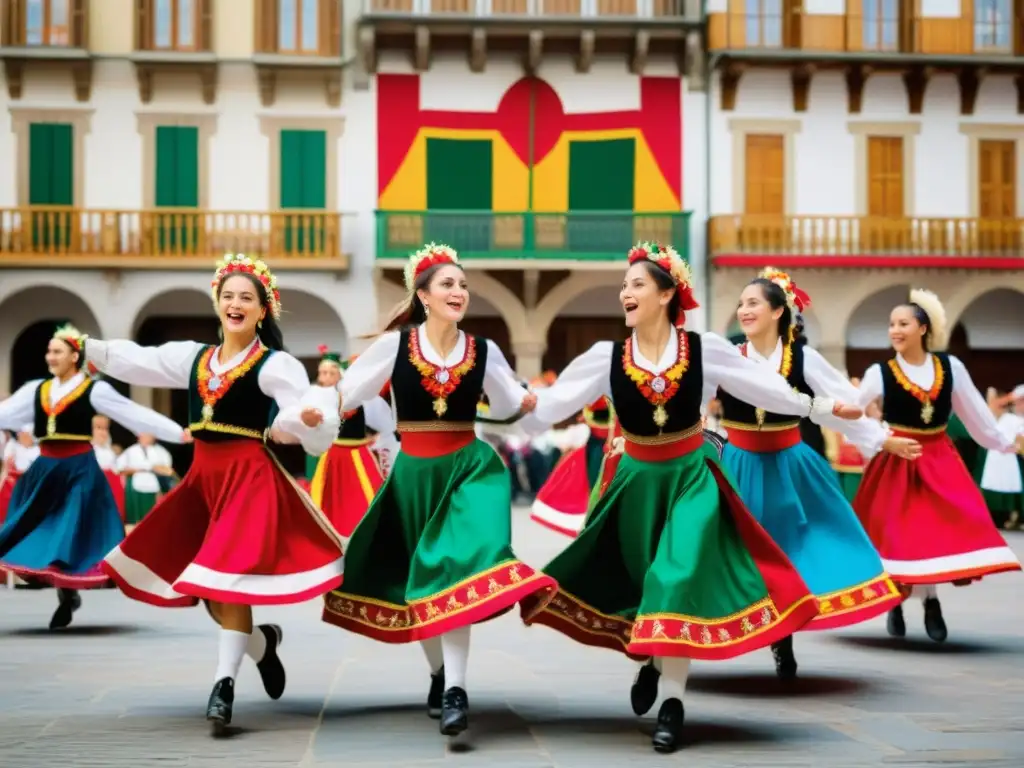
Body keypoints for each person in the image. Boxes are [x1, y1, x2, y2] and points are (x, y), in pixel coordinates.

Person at [515, 243, 862, 753]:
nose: (625, 293)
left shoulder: (706, 349)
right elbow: (547, 408)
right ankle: (655, 662)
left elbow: (768, 389)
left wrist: (821, 405)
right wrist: (499, 403)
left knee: (675, 578)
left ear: (665, 294)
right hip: (635, 482)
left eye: (636, 284)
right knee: (646, 582)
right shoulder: (604, 358)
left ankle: (673, 702)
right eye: (624, 285)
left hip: (692, 476)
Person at [82, 253, 343, 735]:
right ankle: (262, 644)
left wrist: (305, 421)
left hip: (247, 480)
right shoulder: (193, 357)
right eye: (228, 297)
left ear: (263, 310)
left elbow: (296, 412)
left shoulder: (274, 363)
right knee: (208, 589)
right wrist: (92, 348)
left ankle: (223, 687)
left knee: (228, 581)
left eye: (246, 298)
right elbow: (143, 360)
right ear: (217, 304)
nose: (236, 304)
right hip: (203, 480)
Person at [321, 243, 555, 741]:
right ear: (423, 295)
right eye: (448, 284)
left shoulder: (484, 350)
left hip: (468, 468)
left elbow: (515, 403)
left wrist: (542, 405)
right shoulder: (395, 347)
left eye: (463, 285)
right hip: (414, 474)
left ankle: (456, 690)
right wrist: (313, 413)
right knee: (417, 581)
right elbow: (348, 392)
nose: (459, 292)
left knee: (453, 564)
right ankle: (439, 675)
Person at [717, 269, 917, 679]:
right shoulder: (726, 355)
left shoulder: (803, 356)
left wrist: (881, 439)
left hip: (788, 464)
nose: (744, 310)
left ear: (777, 311)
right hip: (736, 464)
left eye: (753, 302)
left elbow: (844, 407)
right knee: (732, 551)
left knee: (793, 550)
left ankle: (783, 637)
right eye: (741, 304)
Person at [853, 289, 1023, 643]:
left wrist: (1006, 442)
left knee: (932, 532)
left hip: (937, 461)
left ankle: (930, 602)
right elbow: (851, 413)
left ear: (922, 328)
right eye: (891, 324)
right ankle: (899, 602)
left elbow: (974, 412)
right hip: (896, 463)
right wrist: (880, 437)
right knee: (898, 535)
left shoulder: (950, 368)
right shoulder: (879, 372)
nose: (895, 330)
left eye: (903, 323)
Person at [0, 325, 186, 629]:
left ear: (75, 355)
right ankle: (65, 594)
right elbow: (5, 414)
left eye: (57, 351)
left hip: (78, 469)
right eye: (49, 351)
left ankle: (66, 595)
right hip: (45, 470)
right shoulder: (36, 389)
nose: (51, 356)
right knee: (38, 529)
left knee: (69, 531)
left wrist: (177, 433)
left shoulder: (93, 389)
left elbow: (133, 414)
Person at [310, 346, 397, 538]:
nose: (326, 377)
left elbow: (383, 421)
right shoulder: (318, 397)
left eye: (331, 373)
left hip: (357, 452)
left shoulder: (357, 395)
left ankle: (367, 528)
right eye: (323, 372)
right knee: (330, 496)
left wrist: (378, 437)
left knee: (364, 493)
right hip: (333, 453)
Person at [976, 386, 1024, 529]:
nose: (1020, 405)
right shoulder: (1006, 417)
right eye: (1019, 402)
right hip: (999, 458)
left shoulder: (1016, 420)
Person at [118, 432, 175, 529]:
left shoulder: (162, 452)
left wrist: (155, 468)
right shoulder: (131, 451)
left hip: (155, 490)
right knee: (134, 522)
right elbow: (120, 469)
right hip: (135, 489)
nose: (146, 437)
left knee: (153, 522)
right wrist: (140, 469)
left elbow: (169, 471)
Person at [1, 425, 39, 526]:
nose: (20, 435)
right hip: (11, 489)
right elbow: (5, 470)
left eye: (23, 433)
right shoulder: (12, 446)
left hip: (30, 488)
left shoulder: (37, 451)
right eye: (19, 433)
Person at [91, 415, 126, 523]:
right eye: (99, 428)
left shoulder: (110, 450)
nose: (103, 432)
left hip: (113, 485)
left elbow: (116, 468)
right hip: (96, 482)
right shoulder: (88, 449)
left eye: (105, 428)